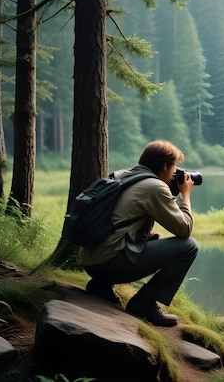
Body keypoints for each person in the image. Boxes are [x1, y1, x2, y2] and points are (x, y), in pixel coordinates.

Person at [79, 140, 199, 327]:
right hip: (110, 263)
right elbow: (184, 229)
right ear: (165, 165)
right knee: (189, 246)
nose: (175, 172)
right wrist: (186, 196)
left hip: (90, 261)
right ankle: (145, 302)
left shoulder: (123, 175)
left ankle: (101, 286)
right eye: (174, 167)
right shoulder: (154, 187)